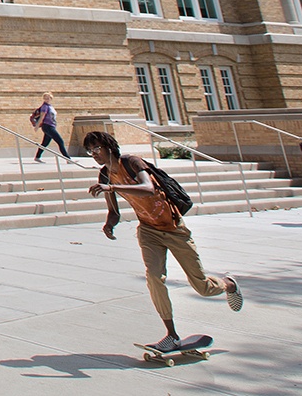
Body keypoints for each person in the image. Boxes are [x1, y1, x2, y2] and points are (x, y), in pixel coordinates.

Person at [83, 129, 243, 353]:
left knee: (202, 287)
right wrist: (110, 224)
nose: (94, 154)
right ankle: (172, 335)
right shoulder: (105, 176)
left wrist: (113, 187)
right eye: (90, 151)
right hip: (149, 231)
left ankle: (228, 284)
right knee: (154, 278)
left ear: (109, 146)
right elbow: (115, 211)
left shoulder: (132, 162)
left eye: (97, 148)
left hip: (173, 228)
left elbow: (148, 189)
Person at [30, 92, 66, 161]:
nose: (47, 99)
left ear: (51, 98)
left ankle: (37, 157)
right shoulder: (45, 106)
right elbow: (42, 116)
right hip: (48, 127)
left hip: (51, 126)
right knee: (60, 141)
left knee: (45, 143)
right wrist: (37, 126)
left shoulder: (50, 106)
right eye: (45, 98)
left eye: (48, 98)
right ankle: (68, 158)